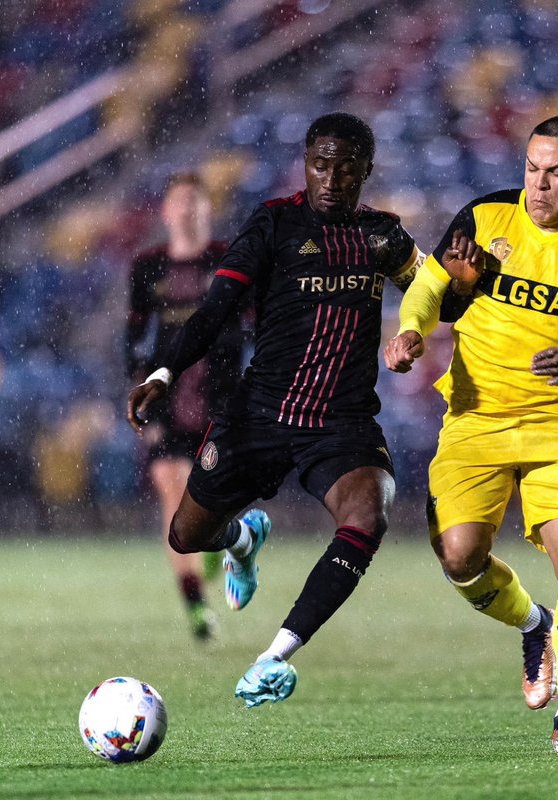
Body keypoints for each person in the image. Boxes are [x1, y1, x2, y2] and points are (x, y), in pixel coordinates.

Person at [127, 112, 423, 705]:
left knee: (369, 515)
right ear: (304, 164)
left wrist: (418, 326)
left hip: (340, 421)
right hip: (260, 412)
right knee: (186, 536)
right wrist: (164, 371)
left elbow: (432, 288)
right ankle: (242, 540)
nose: (331, 179)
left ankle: (275, 655)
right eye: (320, 165)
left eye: (345, 168)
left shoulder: (383, 235)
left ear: (367, 170)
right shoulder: (274, 224)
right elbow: (215, 307)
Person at [384, 115, 558, 755]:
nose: (538, 185)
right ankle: (534, 624)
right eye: (531, 168)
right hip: (473, 418)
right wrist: (413, 329)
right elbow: (428, 287)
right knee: (459, 559)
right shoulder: (487, 216)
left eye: (557, 173)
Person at [126, 171, 244, 640]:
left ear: (207, 210)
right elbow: (134, 339)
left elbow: (248, 324)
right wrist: (138, 393)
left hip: (219, 395)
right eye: (181, 201)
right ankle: (195, 604)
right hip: (166, 396)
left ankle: (219, 543)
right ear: (166, 211)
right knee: (172, 495)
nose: (189, 209)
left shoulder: (227, 259)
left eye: (197, 201)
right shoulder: (147, 267)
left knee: (213, 493)